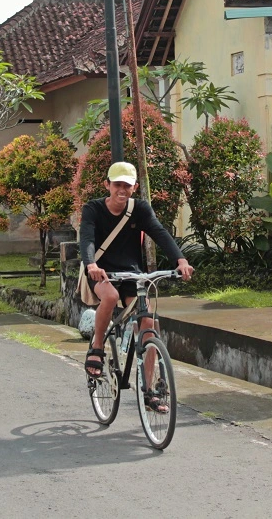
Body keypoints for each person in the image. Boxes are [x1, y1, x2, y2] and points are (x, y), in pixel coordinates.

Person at [78, 161, 193, 411]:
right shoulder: (93, 209)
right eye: (117, 184)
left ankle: (150, 391)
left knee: (149, 323)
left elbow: (159, 232)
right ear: (107, 185)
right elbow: (86, 238)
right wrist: (91, 265)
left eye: (127, 186)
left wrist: (181, 260)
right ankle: (97, 347)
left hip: (131, 273)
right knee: (109, 297)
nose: (122, 190)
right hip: (100, 271)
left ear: (135, 187)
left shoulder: (139, 209)